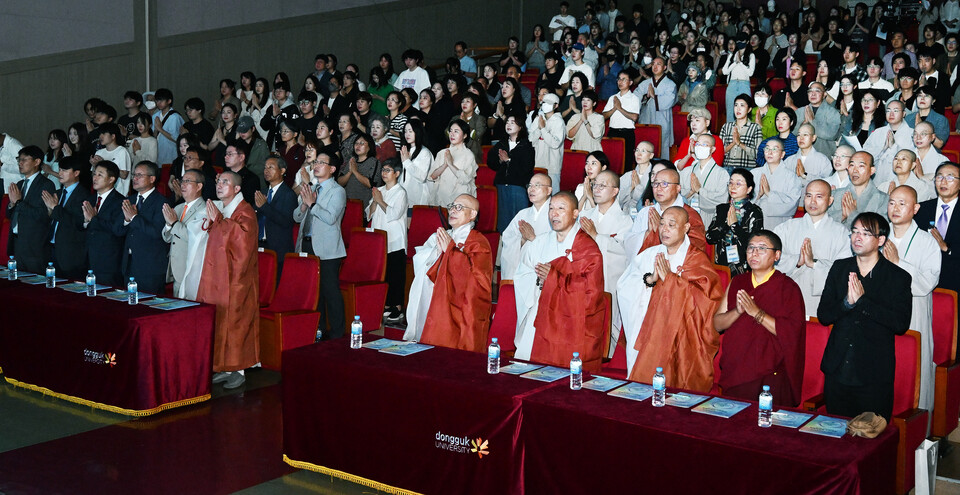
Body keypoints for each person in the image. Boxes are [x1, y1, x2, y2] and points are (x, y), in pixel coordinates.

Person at [819, 212, 912, 420]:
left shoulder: (898, 278)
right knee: (836, 438)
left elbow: (900, 324)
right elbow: (824, 314)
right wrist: (846, 303)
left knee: (870, 440)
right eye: (854, 232)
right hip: (838, 368)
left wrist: (862, 302)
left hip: (873, 375)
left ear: (881, 240)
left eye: (865, 233)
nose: (857, 238)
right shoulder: (840, 268)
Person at [618, 206, 723, 390]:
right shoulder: (650, 254)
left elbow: (708, 304)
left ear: (686, 228)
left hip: (680, 334)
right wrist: (650, 280)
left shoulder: (696, 260)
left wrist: (671, 280)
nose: (664, 229)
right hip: (648, 329)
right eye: (662, 224)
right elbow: (625, 285)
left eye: (671, 225)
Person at [513, 192, 606, 371]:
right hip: (539, 312)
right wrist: (541, 283)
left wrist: (555, 279)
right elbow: (523, 274)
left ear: (575, 213)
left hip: (570, 320)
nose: (554, 214)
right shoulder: (539, 242)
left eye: (561, 209)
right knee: (527, 370)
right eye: (551, 208)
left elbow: (592, 294)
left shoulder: (588, 249)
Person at [713, 231, 806, 406]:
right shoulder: (738, 282)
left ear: (776, 255)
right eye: (751, 248)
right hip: (737, 367)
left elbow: (791, 332)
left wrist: (756, 312)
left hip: (770, 372)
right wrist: (738, 311)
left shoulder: (788, 288)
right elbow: (717, 324)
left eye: (762, 249)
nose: (754, 253)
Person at [197, 170, 260, 390]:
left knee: (235, 323)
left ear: (237, 189)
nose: (220, 185)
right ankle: (223, 367)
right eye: (218, 181)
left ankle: (238, 369)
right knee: (221, 321)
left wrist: (220, 221)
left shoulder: (245, 212)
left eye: (226, 182)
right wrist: (217, 220)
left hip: (237, 280)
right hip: (220, 278)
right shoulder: (224, 209)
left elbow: (242, 243)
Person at [885, 185, 942, 418]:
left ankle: (917, 435)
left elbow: (928, 282)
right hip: (879, 315)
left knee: (911, 372)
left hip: (913, 314)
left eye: (902, 203)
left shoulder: (927, 242)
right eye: (891, 202)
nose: (895, 208)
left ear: (916, 208)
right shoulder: (878, 236)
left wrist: (898, 263)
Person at [412, 194, 494, 352]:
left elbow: (479, 283)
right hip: (438, 302)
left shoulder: (478, 242)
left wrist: (451, 251)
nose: (453, 211)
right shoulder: (441, 235)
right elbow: (425, 266)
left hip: (460, 311)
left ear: (472, 214)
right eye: (452, 206)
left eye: (459, 208)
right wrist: (436, 252)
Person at [773, 180, 852, 318]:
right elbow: (770, 259)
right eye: (808, 196)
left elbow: (844, 271)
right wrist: (797, 261)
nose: (812, 201)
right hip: (787, 296)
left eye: (819, 196)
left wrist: (814, 263)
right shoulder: (786, 228)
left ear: (830, 201)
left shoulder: (842, 234)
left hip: (820, 300)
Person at [579, 170, 633, 354]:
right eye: (595, 185)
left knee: (606, 324)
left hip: (608, 280)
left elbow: (623, 251)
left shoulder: (625, 221)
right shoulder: (585, 216)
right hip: (582, 280)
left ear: (615, 191)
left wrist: (595, 236)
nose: (597, 189)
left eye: (603, 185)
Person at [294, 153, 346, 340]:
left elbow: (331, 218)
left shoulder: (337, 191)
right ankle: (319, 330)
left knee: (330, 291)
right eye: (316, 162)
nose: (316, 165)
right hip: (306, 244)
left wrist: (312, 204)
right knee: (313, 292)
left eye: (321, 162)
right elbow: (296, 217)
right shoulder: (312, 188)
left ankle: (338, 334)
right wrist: (302, 207)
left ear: (332, 169)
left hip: (328, 249)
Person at [916, 163, 960, 344]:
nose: (943, 181)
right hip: (923, 281)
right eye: (939, 176)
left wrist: (946, 248)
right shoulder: (922, 209)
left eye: (950, 177)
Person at [624, 167, 707, 256]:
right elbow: (629, 244)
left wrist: (658, 232)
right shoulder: (645, 212)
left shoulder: (689, 215)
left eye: (664, 184)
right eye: (656, 184)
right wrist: (648, 233)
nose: (659, 188)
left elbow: (695, 252)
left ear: (678, 188)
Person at [120, 161, 172, 295]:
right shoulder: (129, 200)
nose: (135, 179)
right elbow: (118, 230)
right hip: (129, 263)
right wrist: (126, 220)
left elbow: (157, 232)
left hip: (150, 266)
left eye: (139, 175)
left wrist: (134, 218)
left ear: (152, 178)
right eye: (134, 175)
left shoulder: (162, 202)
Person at [368, 158, 409, 323]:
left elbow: (394, 214)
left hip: (395, 239)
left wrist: (379, 200)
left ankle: (397, 307)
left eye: (388, 170)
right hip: (379, 240)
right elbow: (369, 213)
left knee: (396, 274)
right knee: (384, 274)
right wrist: (374, 201)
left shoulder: (401, 192)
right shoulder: (380, 190)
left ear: (397, 173)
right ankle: (386, 305)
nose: (384, 173)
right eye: (383, 170)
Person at [6, 145, 56, 275]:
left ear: (37, 161)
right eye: (19, 160)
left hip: (34, 245)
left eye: (24, 159)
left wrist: (18, 202)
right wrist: (11, 205)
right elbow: (10, 214)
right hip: (17, 242)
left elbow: (42, 215)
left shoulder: (46, 184)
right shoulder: (20, 184)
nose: (20, 163)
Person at [41, 156, 91, 280]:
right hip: (52, 248)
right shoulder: (58, 193)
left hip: (70, 253)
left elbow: (77, 222)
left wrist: (55, 207)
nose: (60, 173)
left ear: (76, 173)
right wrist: (50, 209)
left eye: (64, 170)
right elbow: (53, 218)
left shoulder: (83, 195)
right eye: (60, 170)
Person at [706, 168, 764, 274]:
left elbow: (753, 244)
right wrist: (725, 225)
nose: (733, 187)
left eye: (738, 184)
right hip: (721, 262)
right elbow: (710, 237)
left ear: (749, 189)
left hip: (744, 265)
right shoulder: (722, 209)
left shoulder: (754, 212)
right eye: (731, 183)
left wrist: (734, 225)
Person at [161, 169, 207, 299]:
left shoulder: (204, 210)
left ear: (199, 186)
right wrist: (169, 225)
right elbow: (167, 238)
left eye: (188, 181)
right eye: (182, 181)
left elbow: (193, 237)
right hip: (177, 268)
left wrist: (174, 223)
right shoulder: (179, 208)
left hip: (191, 269)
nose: (182, 185)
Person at [500, 173, 554, 280]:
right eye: (529, 185)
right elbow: (507, 239)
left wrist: (533, 238)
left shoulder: (555, 214)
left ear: (549, 191)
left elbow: (558, 243)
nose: (531, 189)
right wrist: (522, 240)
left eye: (537, 186)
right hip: (522, 271)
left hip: (542, 272)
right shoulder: (522, 214)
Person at [487, 115, 535, 232]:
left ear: (520, 127)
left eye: (512, 122)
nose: (508, 125)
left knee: (518, 224)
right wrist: (500, 160)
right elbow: (491, 162)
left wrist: (509, 160)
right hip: (501, 185)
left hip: (517, 187)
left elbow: (526, 169)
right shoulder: (501, 144)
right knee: (502, 223)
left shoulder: (526, 146)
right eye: (507, 122)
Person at [82, 162, 126, 287]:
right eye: (94, 174)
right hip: (88, 259)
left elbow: (117, 229)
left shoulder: (120, 202)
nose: (94, 178)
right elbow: (82, 225)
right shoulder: (90, 199)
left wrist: (93, 219)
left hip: (108, 262)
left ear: (111, 179)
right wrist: (86, 221)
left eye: (100, 175)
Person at [254, 156, 296, 273]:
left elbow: (285, 221)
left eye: (271, 167)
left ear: (282, 171)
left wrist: (264, 207)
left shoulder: (288, 194)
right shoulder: (262, 192)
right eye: (265, 168)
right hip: (259, 245)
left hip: (277, 249)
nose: (266, 171)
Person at [751, 138, 804, 228]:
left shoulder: (791, 177)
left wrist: (770, 194)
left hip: (779, 225)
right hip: (755, 224)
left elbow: (792, 204)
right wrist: (758, 196)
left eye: (775, 149)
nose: (770, 152)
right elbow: (744, 200)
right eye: (767, 149)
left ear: (782, 154)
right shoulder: (753, 173)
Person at [827, 151, 889, 228]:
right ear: (848, 168)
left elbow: (880, 228)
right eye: (852, 165)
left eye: (861, 166)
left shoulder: (884, 199)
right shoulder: (835, 195)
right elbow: (822, 222)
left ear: (872, 170)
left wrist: (853, 215)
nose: (855, 170)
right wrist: (842, 215)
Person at [679, 134, 730, 226]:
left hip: (709, 219)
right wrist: (691, 192)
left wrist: (700, 190)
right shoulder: (687, 171)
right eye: (697, 144)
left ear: (713, 149)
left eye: (704, 145)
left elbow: (721, 201)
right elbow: (677, 196)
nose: (700, 147)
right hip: (687, 218)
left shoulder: (722, 173)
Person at [635, 57, 676, 159]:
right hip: (646, 118)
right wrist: (645, 97)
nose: (655, 66)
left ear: (665, 67)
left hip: (662, 120)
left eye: (659, 64)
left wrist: (654, 96)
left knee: (661, 147)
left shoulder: (670, 84)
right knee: (645, 145)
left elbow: (669, 100)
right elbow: (635, 97)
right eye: (653, 64)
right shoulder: (645, 83)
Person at [430, 120, 477, 207]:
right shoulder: (442, 153)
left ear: (465, 135)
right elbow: (432, 176)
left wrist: (451, 165)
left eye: (456, 131)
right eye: (450, 131)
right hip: (440, 197)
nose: (452, 134)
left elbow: (465, 179)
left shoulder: (468, 155)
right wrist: (445, 165)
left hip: (459, 199)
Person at [527, 92, 565, 194]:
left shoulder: (559, 122)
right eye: (544, 102)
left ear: (556, 105)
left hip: (552, 165)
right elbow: (530, 140)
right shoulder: (538, 119)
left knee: (552, 193)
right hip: (537, 162)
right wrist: (539, 129)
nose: (545, 105)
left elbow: (555, 143)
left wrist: (543, 129)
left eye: (549, 103)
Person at [793, 82, 841, 158]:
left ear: (825, 94)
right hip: (801, 155)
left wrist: (812, 121)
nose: (813, 94)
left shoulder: (833, 112)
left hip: (824, 155)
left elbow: (831, 134)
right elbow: (793, 132)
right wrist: (803, 125)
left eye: (817, 91)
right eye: (810, 91)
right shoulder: (800, 111)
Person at [603, 71, 640, 168]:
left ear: (630, 82)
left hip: (627, 133)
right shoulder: (613, 98)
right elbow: (604, 116)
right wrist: (614, 108)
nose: (620, 81)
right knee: (611, 160)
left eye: (624, 79)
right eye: (619, 79)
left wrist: (619, 108)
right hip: (613, 132)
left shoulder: (634, 98)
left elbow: (634, 117)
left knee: (626, 163)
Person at [719, 94, 763, 172]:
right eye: (736, 105)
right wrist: (733, 143)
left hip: (747, 169)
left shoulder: (755, 128)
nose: (738, 109)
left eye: (742, 105)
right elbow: (719, 152)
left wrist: (739, 143)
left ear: (749, 109)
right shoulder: (726, 127)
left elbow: (757, 154)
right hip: (727, 168)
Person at [399, 120, 435, 207]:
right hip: (405, 195)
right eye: (405, 131)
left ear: (417, 132)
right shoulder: (407, 150)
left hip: (418, 197)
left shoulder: (424, 152)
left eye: (410, 131)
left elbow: (421, 177)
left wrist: (407, 161)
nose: (407, 134)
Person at [92, 123, 133, 196]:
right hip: (101, 194)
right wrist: (94, 165)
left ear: (113, 136)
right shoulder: (99, 152)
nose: (100, 136)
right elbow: (94, 175)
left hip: (119, 194)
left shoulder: (122, 151)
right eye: (100, 134)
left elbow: (124, 175)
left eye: (104, 133)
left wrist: (103, 163)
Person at [151, 88, 185, 166]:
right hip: (158, 153)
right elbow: (153, 137)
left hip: (171, 154)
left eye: (161, 100)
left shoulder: (175, 117)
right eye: (157, 101)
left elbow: (177, 138)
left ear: (169, 101)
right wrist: (156, 130)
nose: (158, 103)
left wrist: (160, 129)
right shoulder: (155, 116)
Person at [223, 141, 262, 205]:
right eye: (226, 154)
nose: (226, 157)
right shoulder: (224, 175)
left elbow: (247, 204)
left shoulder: (252, 179)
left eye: (230, 154)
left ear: (241, 157)